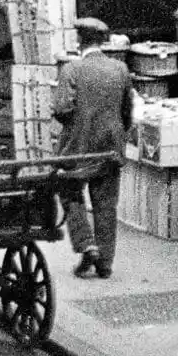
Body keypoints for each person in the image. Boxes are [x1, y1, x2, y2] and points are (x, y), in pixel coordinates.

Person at [55, 16, 135, 280]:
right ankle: (105, 264)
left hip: (78, 149)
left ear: (79, 40)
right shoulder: (120, 69)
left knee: (69, 192)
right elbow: (127, 112)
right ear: (102, 42)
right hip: (110, 149)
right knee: (106, 204)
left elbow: (62, 109)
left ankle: (86, 244)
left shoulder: (71, 69)